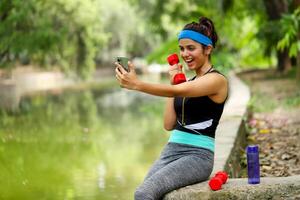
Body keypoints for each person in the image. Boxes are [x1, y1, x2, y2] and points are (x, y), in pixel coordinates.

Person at [115, 16, 228, 200]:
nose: (185, 54)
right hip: (171, 150)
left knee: (143, 193)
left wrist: (137, 84)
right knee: (145, 192)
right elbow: (168, 124)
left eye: (191, 48)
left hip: (198, 156)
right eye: (182, 49)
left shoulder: (216, 80)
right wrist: (174, 81)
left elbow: (180, 90)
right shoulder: (187, 83)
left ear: (207, 49)